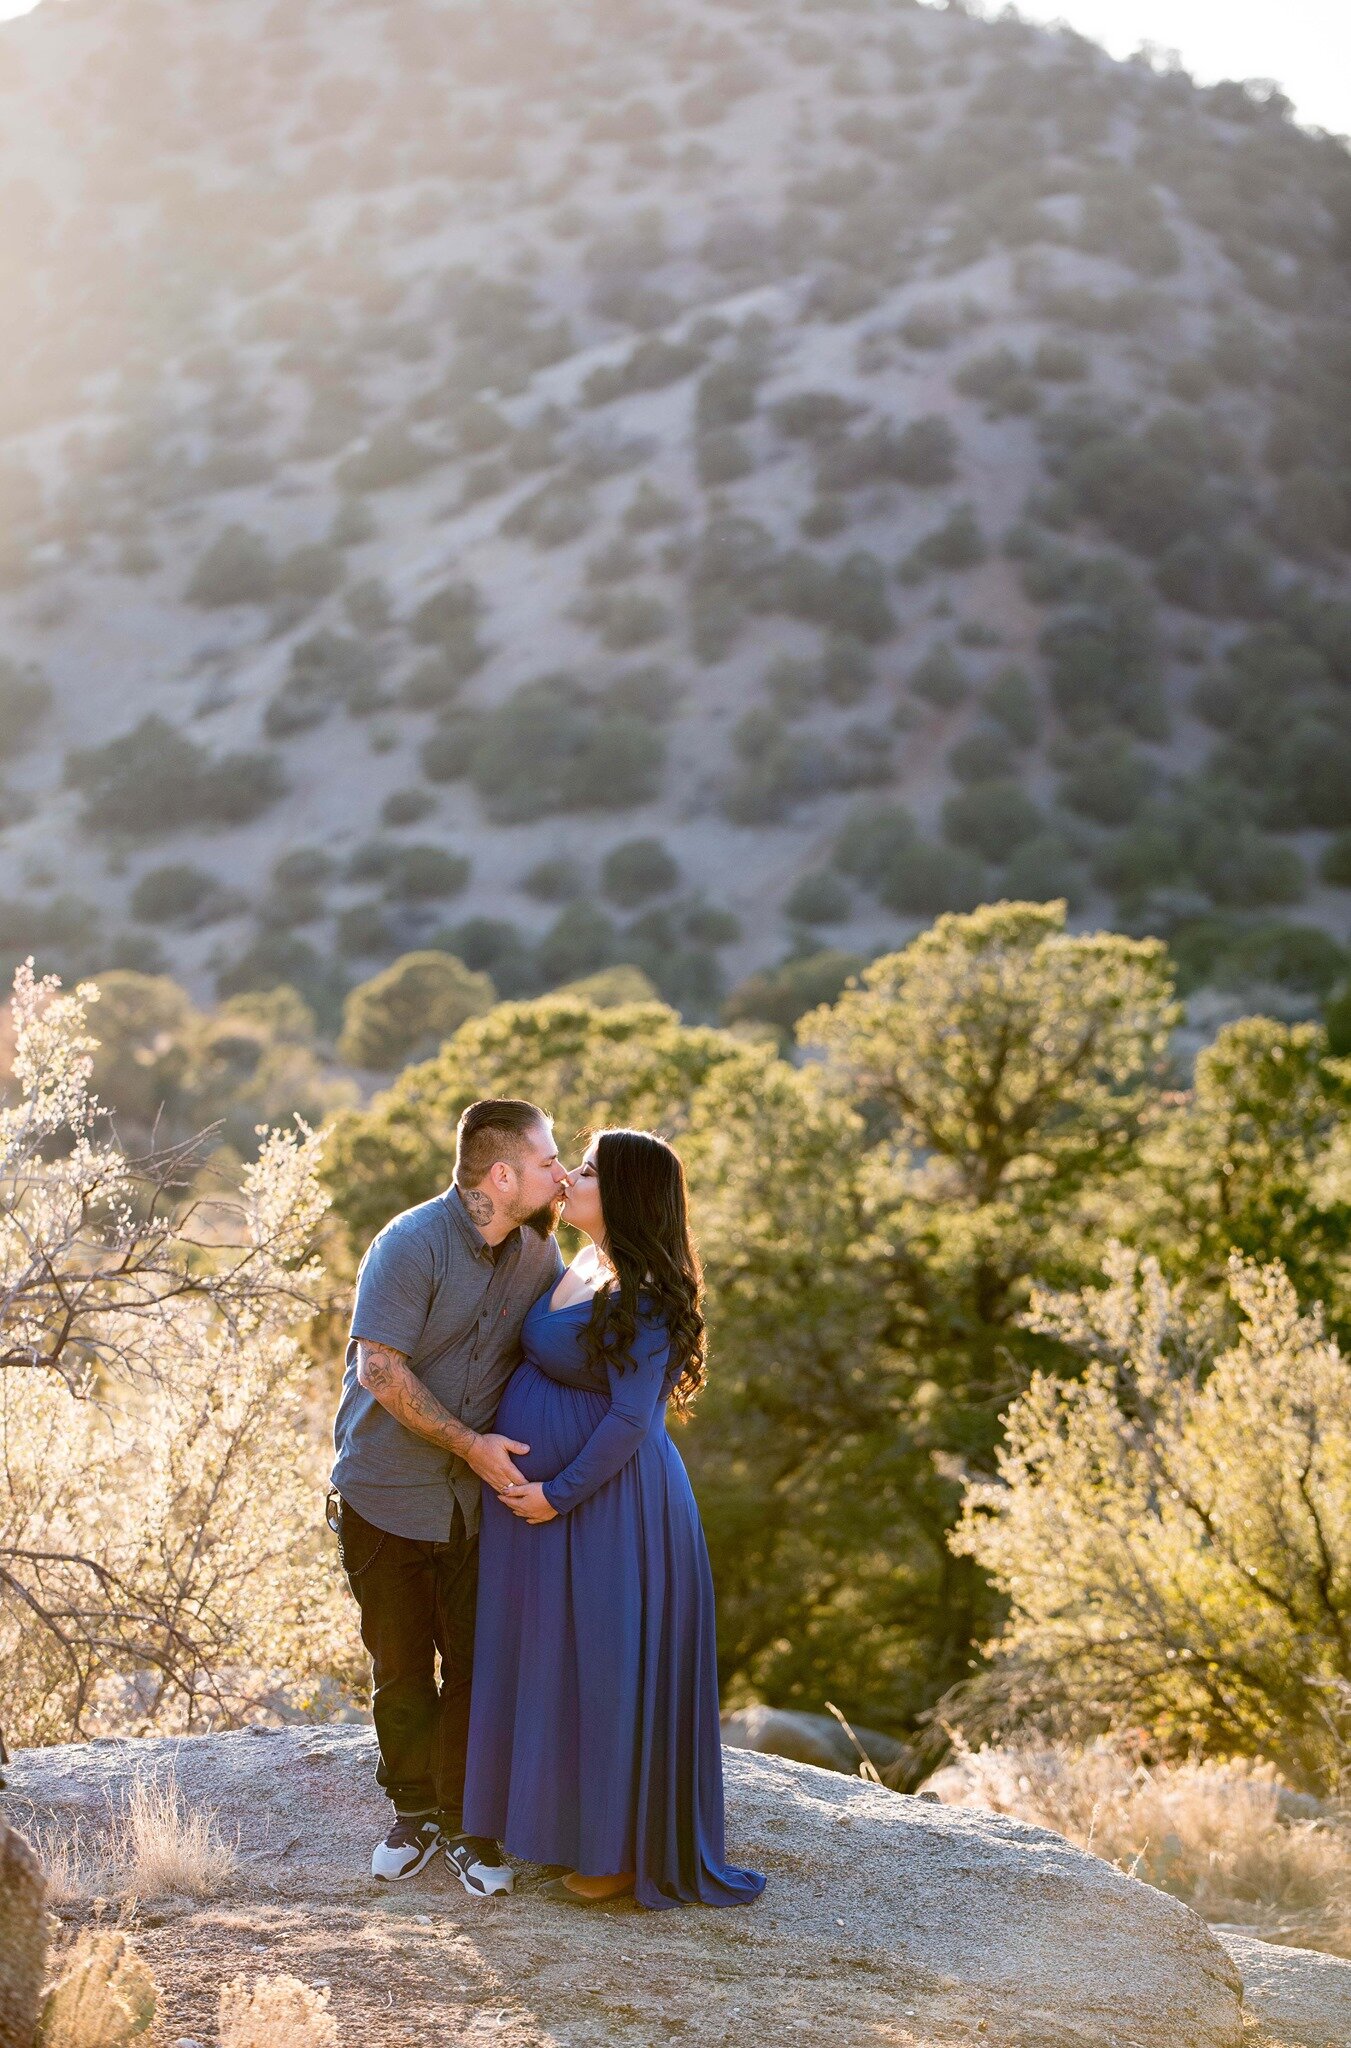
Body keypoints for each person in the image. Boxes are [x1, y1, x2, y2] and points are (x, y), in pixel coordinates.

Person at [463, 1127, 766, 1911]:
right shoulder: (582, 1264)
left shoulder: (645, 1294)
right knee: (554, 1660)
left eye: (587, 1171)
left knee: (601, 1665)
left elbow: (632, 1420)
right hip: (553, 1507)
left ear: (625, 1194)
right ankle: (560, 1825)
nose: (568, 1177)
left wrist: (556, 1493)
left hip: (608, 1507)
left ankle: (620, 1852)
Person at [330, 1098, 567, 1896]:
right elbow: (380, 1372)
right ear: (502, 1175)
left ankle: (470, 1824)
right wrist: (471, 1444)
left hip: (475, 1508)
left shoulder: (538, 1253)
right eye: (545, 1162)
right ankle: (413, 1812)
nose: (559, 1173)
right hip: (383, 1495)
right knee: (400, 1668)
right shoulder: (407, 1244)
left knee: (474, 1664)